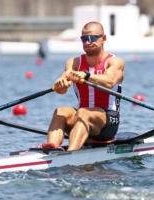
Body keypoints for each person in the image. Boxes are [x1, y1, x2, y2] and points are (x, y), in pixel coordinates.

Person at [42, 21, 125, 151]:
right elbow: (62, 90)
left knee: (83, 113)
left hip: (107, 122)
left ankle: (71, 154)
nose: (87, 42)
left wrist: (85, 76)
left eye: (92, 38)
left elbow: (109, 81)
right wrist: (60, 83)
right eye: (84, 39)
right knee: (61, 111)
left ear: (103, 39)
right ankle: (51, 149)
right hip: (81, 117)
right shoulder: (74, 62)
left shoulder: (114, 61)